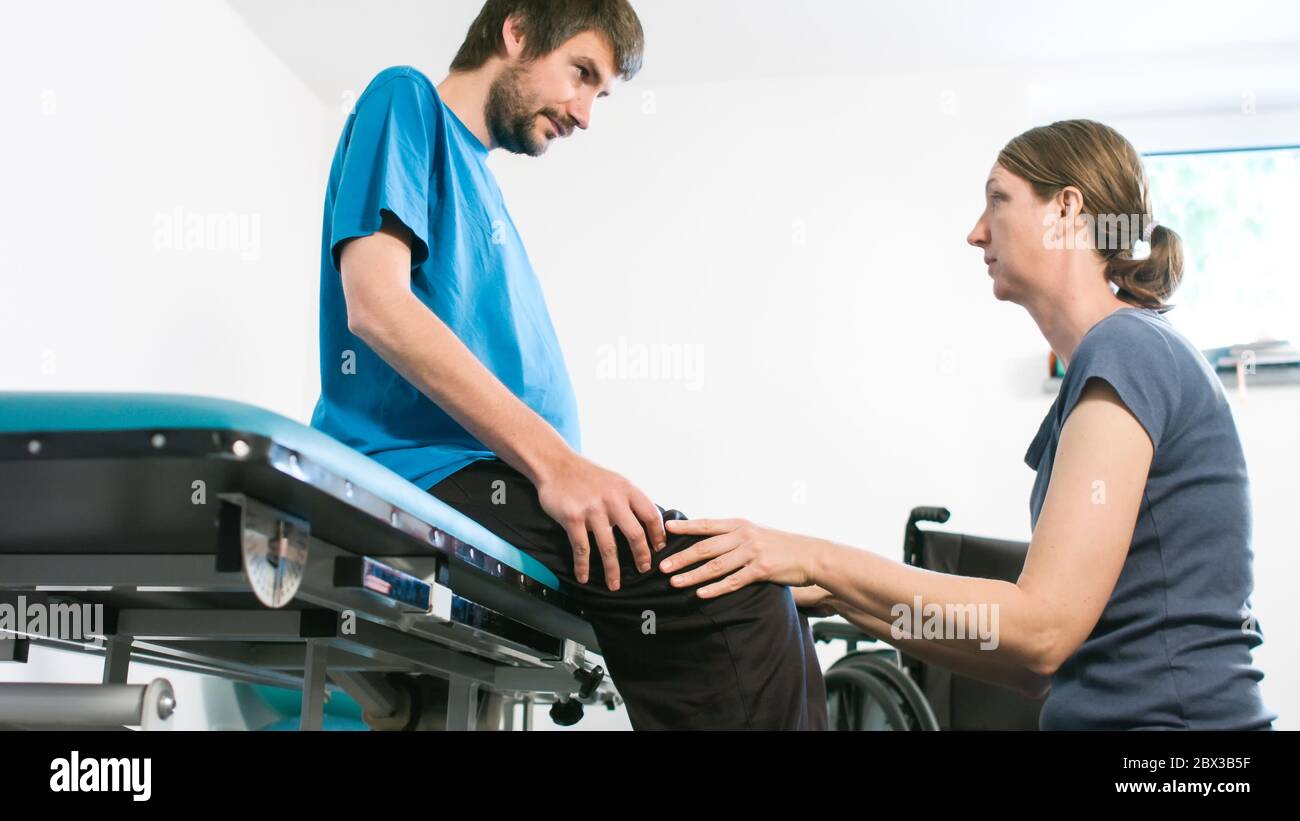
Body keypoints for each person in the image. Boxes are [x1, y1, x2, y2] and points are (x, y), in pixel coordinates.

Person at [309, 0, 826, 730]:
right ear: (516, 31)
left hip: (498, 483)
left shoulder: (482, 184)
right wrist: (557, 466)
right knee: (738, 601)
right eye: (580, 74)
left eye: (601, 94)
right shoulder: (406, 98)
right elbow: (376, 305)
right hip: (421, 472)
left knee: (768, 587)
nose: (585, 113)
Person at [661, 120, 1277, 730]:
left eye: (997, 199)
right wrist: (840, 597)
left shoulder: (1127, 349)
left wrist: (817, 559)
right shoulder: (1117, 361)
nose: (976, 232)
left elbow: (1041, 631)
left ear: (1066, 209)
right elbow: (1032, 667)